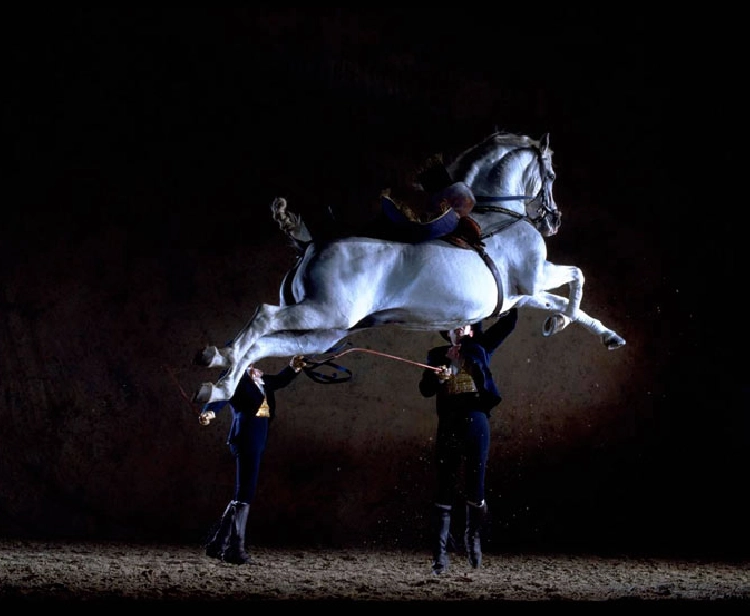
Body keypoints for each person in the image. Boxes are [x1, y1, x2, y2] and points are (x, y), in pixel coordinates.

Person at [419, 307, 518, 574]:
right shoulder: (437, 355)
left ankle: (473, 538)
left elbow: (509, 322)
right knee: (445, 486)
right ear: (448, 331)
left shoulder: (481, 347)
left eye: (463, 325)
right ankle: (439, 555)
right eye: (454, 326)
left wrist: (502, 303)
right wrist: (443, 372)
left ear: (471, 329)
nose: (458, 329)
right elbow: (425, 390)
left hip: (476, 421)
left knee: (476, 488)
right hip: (448, 423)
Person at [199, 354, 307, 564]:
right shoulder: (232, 377)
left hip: (257, 438)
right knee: (245, 492)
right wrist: (209, 413)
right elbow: (220, 396)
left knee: (244, 492)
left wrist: (293, 367)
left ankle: (218, 544)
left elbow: (278, 381)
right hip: (245, 437)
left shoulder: (257, 377)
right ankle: (235, 549)